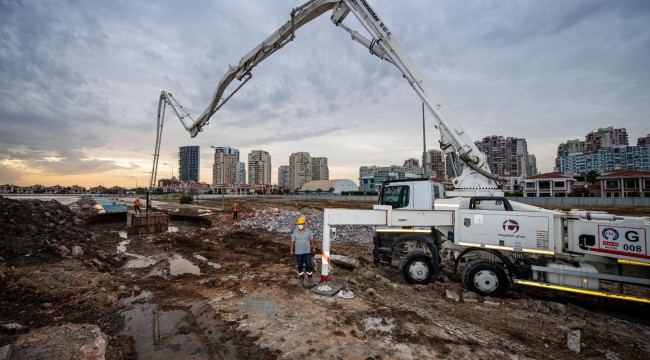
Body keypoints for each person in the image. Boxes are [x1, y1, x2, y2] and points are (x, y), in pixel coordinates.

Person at [290, 216, 316, 284]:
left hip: (307, 251)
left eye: (301, 224)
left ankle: (310, 277)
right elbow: (292, 241)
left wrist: (313, 248)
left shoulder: (309, 231)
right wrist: (291, 250)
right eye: (299, 224)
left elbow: (311, 240)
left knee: (308, 264)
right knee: (299, 264)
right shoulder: (295, 232)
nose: (300, 225)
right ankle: (301, 277)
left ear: (304, 224)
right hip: (298, 252)